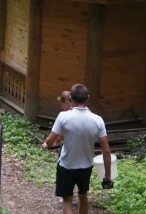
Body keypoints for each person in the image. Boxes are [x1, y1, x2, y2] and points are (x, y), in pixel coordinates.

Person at [42, 84, 112, 214]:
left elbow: (50, 141)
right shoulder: (98, 120)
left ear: (71, 98)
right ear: (88, 98)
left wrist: (47, 144)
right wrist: (107, 175)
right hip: (86, 166)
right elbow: (106, 150)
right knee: (83, 196)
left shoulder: (63, 117)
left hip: (66, 165)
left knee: (67, 200)